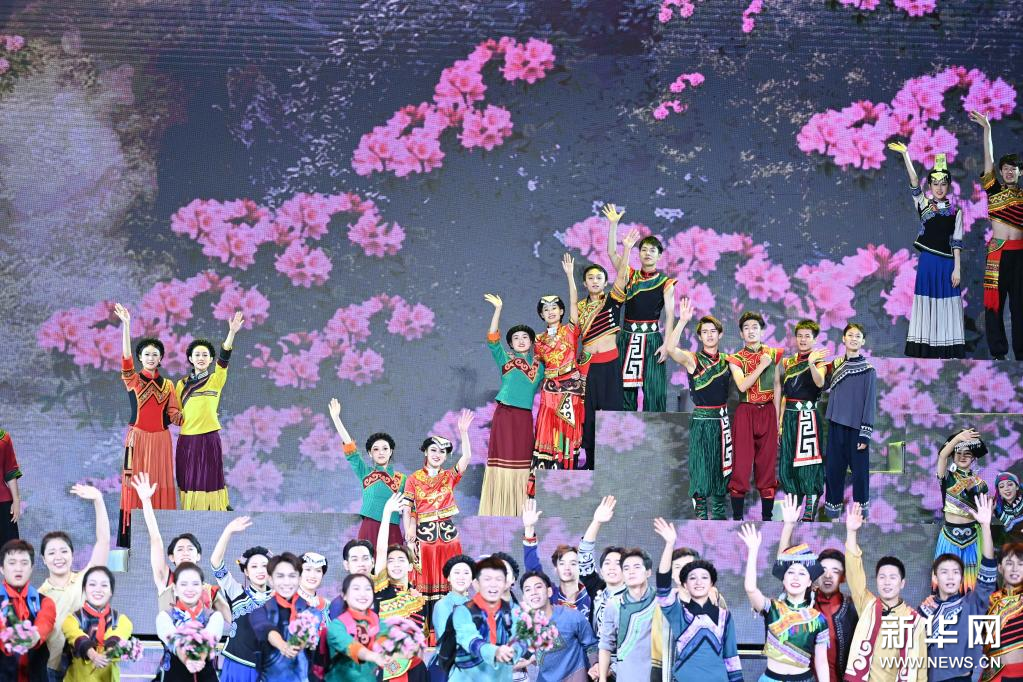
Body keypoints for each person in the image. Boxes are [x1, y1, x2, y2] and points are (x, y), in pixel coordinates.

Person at [112, 303, 182, 547]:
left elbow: (174, 414)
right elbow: (125, 359)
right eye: (147, 354)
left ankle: (161, 537)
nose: (151, 358)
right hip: (138, 440)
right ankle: (132, 540)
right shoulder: (133, 379)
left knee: (161, 485)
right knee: (134, 485)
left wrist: (194, 414)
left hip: (161, 441)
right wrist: (126, 325)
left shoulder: (169, 385)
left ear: (161, 358)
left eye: (155, 354)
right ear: (140, 357)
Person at [888, 143, 966, 358]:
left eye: (943, 184)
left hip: (947, 264)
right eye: (935, 183)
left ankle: (948, 349)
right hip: (928, 262)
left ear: (948, 186)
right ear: (930, 185)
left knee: (947, 302)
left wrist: (957, 269)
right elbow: (914, 182)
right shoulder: (923, 204)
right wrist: (906, 155)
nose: (939, 188)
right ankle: (926, 349)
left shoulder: (956, 211)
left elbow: (957, 241)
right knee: (927, 300)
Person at [403, 412, 474, 642]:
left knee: (451, 582)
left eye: (442, 452)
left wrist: (463, 433)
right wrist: (409, 532)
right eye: (433, 450)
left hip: (448, 540)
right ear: (425, 452)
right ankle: (425, 637)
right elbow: (407, 509)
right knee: (422, 585)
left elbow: (466, 458)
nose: (437, 455)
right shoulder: (413, 479)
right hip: (424, 540)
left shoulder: (448, 477)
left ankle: (452, 634)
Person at [663, 302, 733, 520]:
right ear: (700, 337)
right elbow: (671, 350)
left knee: (722, 471)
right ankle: (701, 517)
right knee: (701, 469)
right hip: (702, 421)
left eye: (713, 331)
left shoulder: (729, 361)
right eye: (705, 332)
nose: (709, 335)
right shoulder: (693, 360)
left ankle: (719, 518)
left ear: (720, 335)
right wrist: (682, 321)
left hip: (722, 422)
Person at [604, 203, 676, 413]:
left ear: (659, 255)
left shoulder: (665, 282)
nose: (647, 253)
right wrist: (613, 225)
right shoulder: (630, 275)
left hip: (652, 339)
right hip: (627, 338)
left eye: (652, 250)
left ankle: (655, 432)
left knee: (655, 391)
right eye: (643, 249)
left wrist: (667, 344)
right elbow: (612, 253)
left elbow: (670, 315)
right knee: (624, 392)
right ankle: (625, 432)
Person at [576, 227, 640, 468]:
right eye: (590, 278)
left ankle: (611, 464)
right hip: (587, 367)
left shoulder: (612, 301)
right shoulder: (579, 308)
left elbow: (622, 276)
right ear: (585, 283)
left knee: (611, 413)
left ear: (605, 282)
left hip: (610, 365)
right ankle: (590, 462)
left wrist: (627, 248)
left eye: (599, 278)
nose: (595, 281)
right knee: (588, 414)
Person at [844, 503, 927, 682]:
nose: (887, 582)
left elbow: (920, 669)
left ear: (902, 583)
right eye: (882, 577)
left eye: (892, 577)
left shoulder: (914, 621)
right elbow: (854, 572)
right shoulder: (868, 605)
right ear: (876, 581)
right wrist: (851, 532)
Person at [129, 473, 231, 619]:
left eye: (190, 549)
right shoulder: (165, 579)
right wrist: (146, 500)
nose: (185, 552)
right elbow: (156, 539)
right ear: (171, 557)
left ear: (198, 556)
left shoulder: (210, 591)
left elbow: (231, 622)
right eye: (180, 549)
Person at [777, 495, 857, 682]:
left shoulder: (852, 608)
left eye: (835, 571)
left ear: (843, 577)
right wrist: (788, 526)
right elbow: (784, 569)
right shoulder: (804, 601)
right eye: (823, 570)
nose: (828, 575)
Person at [652, 518, 741, 682]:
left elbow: (731, 659)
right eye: (692, 578)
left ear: (712, 583)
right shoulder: (679, 614)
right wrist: (669, 544)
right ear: (685, 584)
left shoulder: (724, 616)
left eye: (704, 577)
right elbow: (663, 589)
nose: (699, 582)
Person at [738, 523, 828, 682]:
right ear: (784, 579)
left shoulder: (818, 619)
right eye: (791, 572)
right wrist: (753, 551)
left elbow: (821, 662)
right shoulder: (771, 608)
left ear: (809, 582)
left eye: (802, 573)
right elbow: (750, 589)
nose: (795, 577)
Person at [920, 495, 996, 682]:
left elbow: (988, 569)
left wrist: (986, 527)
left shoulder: (971, 604)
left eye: (955, 572)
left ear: (962, 577)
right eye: (944, 572)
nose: (950, 576)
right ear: (935, 577)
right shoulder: (925, 610)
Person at [478, 294, 542, 516]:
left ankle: (520, 509)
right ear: (511, 344)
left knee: (523, 459)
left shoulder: (540, 366)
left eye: (525, 337)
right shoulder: (505, 359)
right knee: (503, 457)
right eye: (516, 338)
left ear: (532, 342)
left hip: (524, 418)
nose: (521, 340)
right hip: (505, 415)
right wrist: (498, 309)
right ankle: (497, 508)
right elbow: (492, 339)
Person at [39, 485, 111, 682]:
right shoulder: (38, 596)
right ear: (44, 559)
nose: (58, 557)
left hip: (85, 667)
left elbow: (103, 542)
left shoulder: (85, 580)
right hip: (52, 670)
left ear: (72, 554)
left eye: (64, 551)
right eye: (51, 553)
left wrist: (98, 500)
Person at [174, 310, 243, 511]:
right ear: (190, 358)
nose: (201, 358)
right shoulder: (181, 384)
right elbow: (175, 412)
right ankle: (191, 514)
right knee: (188, 480)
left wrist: (232, 333)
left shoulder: (216, 379)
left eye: (205, 355)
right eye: (197, 354)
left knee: (210, 478)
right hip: (187, 440)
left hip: (209, 438)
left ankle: (216, 512)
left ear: (211, 359)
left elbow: (224, 360)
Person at [969, 112, 1023, 360]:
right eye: (1006, 169)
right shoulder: (994, 190)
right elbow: (988, 158)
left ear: (1020, 172)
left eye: (1014, 169)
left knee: (1020, 307)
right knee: (995, 305)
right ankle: (998, 352)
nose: (1009, 172)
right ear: (1000, 172)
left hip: (1020, 255)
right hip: (998, 254)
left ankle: (1021, 353)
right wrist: (987, 129)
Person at [531, 254, 584, 481]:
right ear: (541, 315)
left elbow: (574, 303)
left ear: (562, 311)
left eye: (555, 308)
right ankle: (546, 479)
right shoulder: (538, 340)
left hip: (570, 387)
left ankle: (567, 478)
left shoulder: (570, 330)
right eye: (546, 309)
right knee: (547, 431)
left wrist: (570, 276)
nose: (551, 311)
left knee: (567, 432)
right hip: (549, 390)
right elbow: (535, 367)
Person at [726, 311, 782, 521]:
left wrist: (777, 419)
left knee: (767, 465)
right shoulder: (735, 359)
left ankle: (767, 518)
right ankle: (737, 518)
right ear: (741, 333)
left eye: (755, 327)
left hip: (768, 411)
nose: (751, 331)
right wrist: (761, 365)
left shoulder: (774, 354)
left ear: (762, 331)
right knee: (741, 464)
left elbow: (777, 386)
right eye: (746, 328)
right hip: (745, 411)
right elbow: (742, 386)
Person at [329, 398, 406, 545]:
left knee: (392, 559)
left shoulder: (402, 479)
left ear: (391, 452)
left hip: (393, 528)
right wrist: (336, 419)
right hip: (369, 527)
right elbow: (350, 448)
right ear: (370, 453)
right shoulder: (365, 472)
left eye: (385, 448)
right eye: (376, 449)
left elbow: (410, 508)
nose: (381, 452)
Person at [822, 323, 877, 520]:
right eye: (850, 335)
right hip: (836, 426)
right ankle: (833, 517)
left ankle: (861, 518)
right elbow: (822, 386)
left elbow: (870, 403)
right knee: (833, 472)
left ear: (863, 341)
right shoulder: (836, 365)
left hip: (857, 430)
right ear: (843, 339)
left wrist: (865, 434)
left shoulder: (868, 370)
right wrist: (813, 364)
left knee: (860, 475)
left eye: (858, 336)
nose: (854, 339)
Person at [209, 516, 273, 682]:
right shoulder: (236, 592)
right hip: (238, 664)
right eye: (254, 566)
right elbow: (216, 563)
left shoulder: (278, 597)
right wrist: (228, 531)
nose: (260, 570)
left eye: (264, 566)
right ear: (246, 572)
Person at [778, 320, 829, 522]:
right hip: (789, 416)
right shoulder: (788, 363)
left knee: (809, 462)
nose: (803, 339)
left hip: (807, 416)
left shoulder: (819, 362)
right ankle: (793, 509)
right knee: (788, 464)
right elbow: (785, 396)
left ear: (814, 339)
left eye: (807, 336)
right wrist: (780, 422)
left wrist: (811, 363)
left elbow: (820, 382)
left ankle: (810, 508)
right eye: (800, 336)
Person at [445, 556, 526, 681]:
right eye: (487, 579)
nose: (493, 584)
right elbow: (470, 639)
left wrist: (513, 652)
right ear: (477, 583)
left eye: (498, 579)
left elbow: (522, 638)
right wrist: (495, 652)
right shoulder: (463, 611)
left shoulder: (515, 611)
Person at [373, 495, 427, 680]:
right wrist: (387, 513)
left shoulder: (418, 599)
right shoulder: (381, 589)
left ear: (410, 566)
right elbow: (381, 551)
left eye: (401, 560)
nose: (395, 564)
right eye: (391, 561)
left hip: (416, 668)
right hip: (388, 667)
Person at [935, 428, 989, 593]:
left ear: (973, 458)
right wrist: (958, 438)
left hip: (972, 537)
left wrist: (974, 491)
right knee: (947, 579)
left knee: (971, 583)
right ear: (952, 456)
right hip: (949, 536)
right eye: (958, 452)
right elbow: (942, 456)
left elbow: (984, 513)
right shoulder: (947, 477)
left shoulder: (981, 484)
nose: (963, 456)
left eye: (967, 453)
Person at [520, 570, 598, 682]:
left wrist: (595, 664)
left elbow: (591, 645)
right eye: (528, 589)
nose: (533, 592)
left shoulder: (572, 617)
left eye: (538, 587)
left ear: (549, 592)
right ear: (524, 598)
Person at [60, 566, 133, 682]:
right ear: (84, 589)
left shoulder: (122, 620)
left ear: (111, 591)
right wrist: (92, 654)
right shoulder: (71, 619)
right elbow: (77, 636)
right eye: (92, 584)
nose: (98, 589)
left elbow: (116, 635)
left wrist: (110, 651)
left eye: (104, 585)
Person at [521, 499, 592, 619]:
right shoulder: (550, 594)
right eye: (562, 563)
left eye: (573, 563)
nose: (567, 567)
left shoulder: (591, 595)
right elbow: (532, 567)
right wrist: (529, 528)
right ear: (556, 569)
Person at [155, 563, 225, 682]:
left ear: (202, 588)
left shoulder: (215, 617)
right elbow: (174, 642)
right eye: (183, 584)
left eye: (195, 584)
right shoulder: (164, 617)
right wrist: (187, 660)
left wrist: (200, 658)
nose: (190, 589)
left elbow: (209, 642)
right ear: (175, 589)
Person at [597, 548, 658, 682]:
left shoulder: (660, 601)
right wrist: (602, 678)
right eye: (626, 568)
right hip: (626, 676)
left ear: (648, 572)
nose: (631, 571)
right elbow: (605, 644)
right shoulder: (614, 604)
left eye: (636, 567)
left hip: (657, 675)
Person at [248, 553, 311, 682]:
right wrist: (283, 646)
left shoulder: (310, 611)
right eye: (280, 576)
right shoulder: (259, 612)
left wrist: (301, 643)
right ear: (270, 580)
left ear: (300, 579)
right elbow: (266, 629)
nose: (286, 582)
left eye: (292, 576)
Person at [1, 539, 57, 682]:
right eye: (12, 563)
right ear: (1, 568)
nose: (18, 568)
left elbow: (45, 622)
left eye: (24, 563)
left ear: (31, 568)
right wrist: (6, 636)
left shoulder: (45, 602)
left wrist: (35, 635)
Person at [325, 573, 391, 682]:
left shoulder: (380, 623)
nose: (363, 594)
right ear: (344, 595)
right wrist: (374, 656)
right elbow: (352, 647)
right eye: (356, 589)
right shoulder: (336, 626)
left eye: (367, 589)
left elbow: (385, 643)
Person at [427, 555, 475, 681]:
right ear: (448, 577)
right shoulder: (442, 605)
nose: (461, 577)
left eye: (466, 573)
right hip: (446, 667)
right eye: (456, 572)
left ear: (472, 579)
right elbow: (446, 641)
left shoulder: (475, 606)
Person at [984, 542, 1023, 681]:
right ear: (1000, 568)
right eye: (1009, 563)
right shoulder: (989, 601)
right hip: (993, 674)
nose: (1015, 569)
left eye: (1021, 564)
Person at [0, 428, 22, 545]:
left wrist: (16, 500)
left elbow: (10, 470)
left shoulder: (4, 437)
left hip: (3, 503)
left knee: (9, 548)